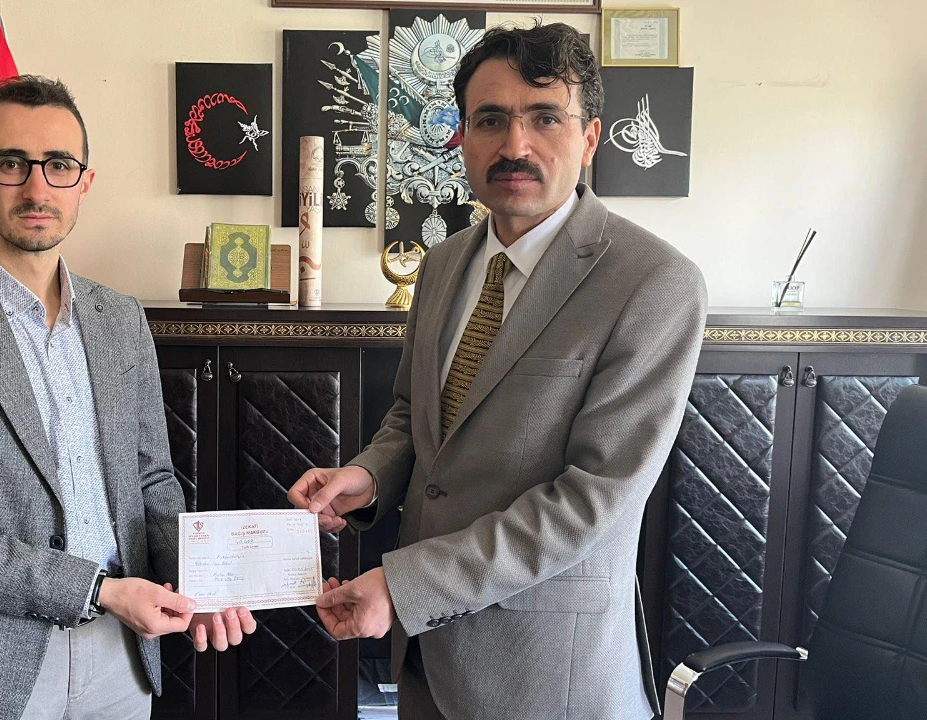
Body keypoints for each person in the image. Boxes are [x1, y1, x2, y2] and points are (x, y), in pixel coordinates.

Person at [288, 23, 707, 720]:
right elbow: (414, 417)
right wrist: (366, 477)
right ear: (461, 138)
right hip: (425, 664)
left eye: (545, 117)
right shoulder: (444, 262)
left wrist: (405, 586)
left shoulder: (655, 283)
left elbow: (592, 500)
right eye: (490, 120)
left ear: (590, 137)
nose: (515, 145)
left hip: (546, 676)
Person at [0, 75, 255, 720]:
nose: (37, 188)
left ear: (84, 183)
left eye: (59, 165)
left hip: (122, 656)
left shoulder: (120, 319)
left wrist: (199, 580)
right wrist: (98, 590)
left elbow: (152, 480)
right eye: (11, 163)